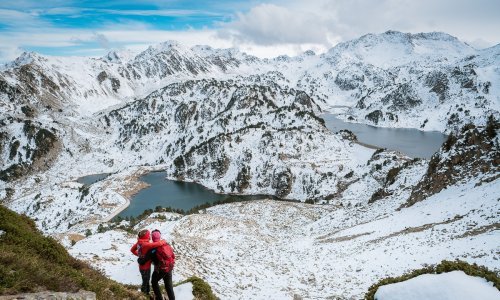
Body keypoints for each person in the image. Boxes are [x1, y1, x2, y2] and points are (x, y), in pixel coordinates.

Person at [130, 229, 166, 297]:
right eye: (149, 235)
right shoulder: (146, 244)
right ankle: (143, 295)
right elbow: (158, 244)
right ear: (146, 236)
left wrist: (140, 255)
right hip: (146, 267)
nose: (150, 236)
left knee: (146, 280)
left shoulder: (139, 242)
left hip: (142, 267)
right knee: (145, 281)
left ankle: (147, 293)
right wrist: (164, 241)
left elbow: (132, 250)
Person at [148, 229, 176, 300]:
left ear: (152, 238)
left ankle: (159, 298)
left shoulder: (153, 249)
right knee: (169, 285)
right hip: (169, 267)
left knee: (154, 282)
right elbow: (173, 256)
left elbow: (151, 260)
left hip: (161, 269)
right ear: (160, 236)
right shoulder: (166, 244)